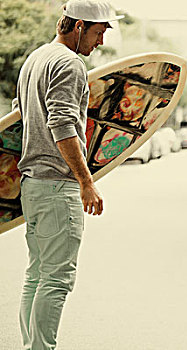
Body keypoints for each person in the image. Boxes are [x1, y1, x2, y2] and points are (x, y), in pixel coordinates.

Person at [13, 1, 122, 348]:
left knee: (37, 275)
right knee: (57, 280)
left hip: (31, 184)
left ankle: (32, 346)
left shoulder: (36, 58)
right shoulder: (69, 63)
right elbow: (61, 123)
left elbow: (20, 115)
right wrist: (86, 182)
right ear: (78, 26)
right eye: (99, 31)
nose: (100, 42)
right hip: (57, 185)